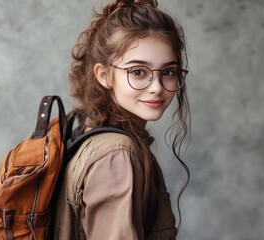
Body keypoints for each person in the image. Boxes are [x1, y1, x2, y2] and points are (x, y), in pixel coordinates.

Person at [54, 0, 190, 239]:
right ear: (104, 75)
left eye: (168, 72)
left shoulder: (92, 130)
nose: (157, 88)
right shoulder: (117, 155)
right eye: (138, 72)